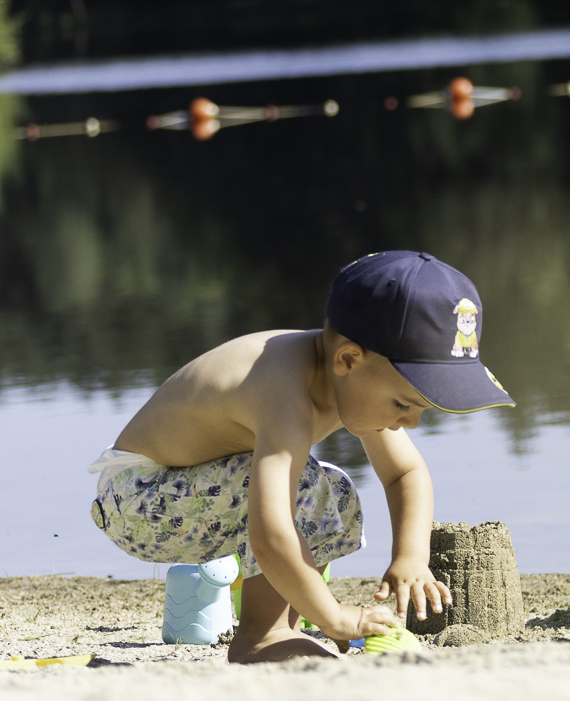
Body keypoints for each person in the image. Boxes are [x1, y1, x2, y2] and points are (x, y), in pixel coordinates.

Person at [87, 251, 515, 662]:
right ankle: (262, 636)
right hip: (138, 499)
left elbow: (404, 473)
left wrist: (410, 558)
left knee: (338, 492)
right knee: (307, 484)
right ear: (349, 359)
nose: (413, 423)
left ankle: (284, 628)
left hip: (193, 493)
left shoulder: (343, 378)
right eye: (403, 404)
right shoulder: (282, 387)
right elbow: (271, 534)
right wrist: (335, 616)